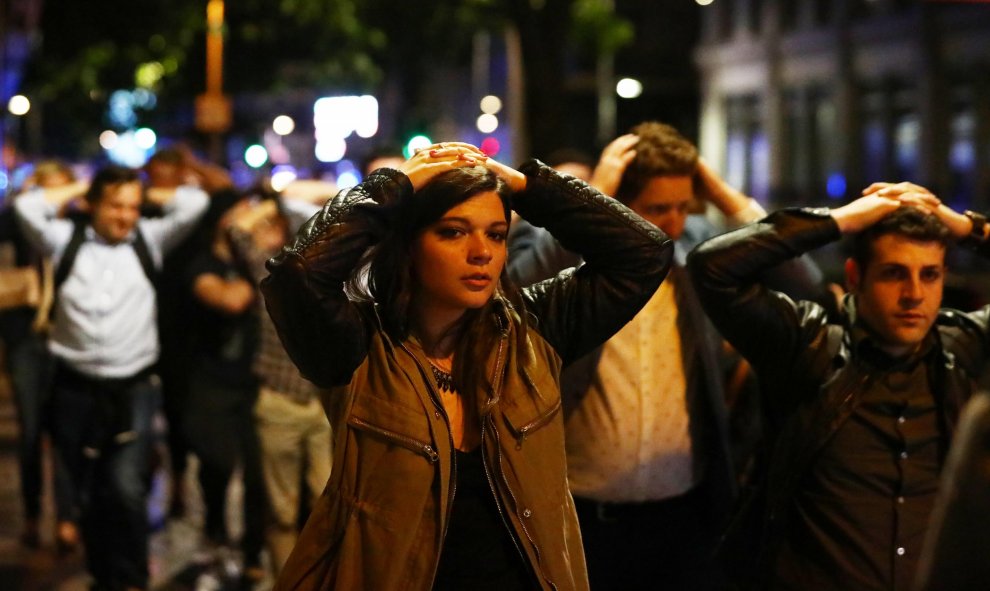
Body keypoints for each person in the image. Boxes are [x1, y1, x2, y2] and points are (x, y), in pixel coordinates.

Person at [260, 142, 672, 590]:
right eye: (453, 232)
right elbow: (295, 277)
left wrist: (524, 184)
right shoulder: (360, 345)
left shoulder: (531, 330)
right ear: (408, 245)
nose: (482, 252)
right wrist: (391, 187)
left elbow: (643, 254)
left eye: (496, 234)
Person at [508, 121, 822, 590]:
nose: (673, 223)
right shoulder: (575, 259)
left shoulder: (699, 251)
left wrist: (722, 194)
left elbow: (806, 283)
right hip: (580, 511)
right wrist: (591, 195)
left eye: (682, 206)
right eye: (657, 208)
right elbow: (516, 287)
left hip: (687, 514)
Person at [687, 181, 990, 590]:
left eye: (930, 275)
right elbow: (712, 267)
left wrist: (961, 225)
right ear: (855, 277)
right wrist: (839, 220)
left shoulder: (962, 348)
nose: (914, 295)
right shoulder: (807, 345)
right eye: (893, 274)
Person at [14, 165, 208, 591]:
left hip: (131, 388)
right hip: (74, 387)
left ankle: (133, 576)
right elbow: (26, 206)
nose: (126, 216)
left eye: (133, 207)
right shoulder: (64, 241)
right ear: (92, 206)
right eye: (115, 206)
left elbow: (196, 202)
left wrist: (145, 194)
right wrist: (84, 185)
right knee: (86, 489)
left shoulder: (148, 240)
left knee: (125, 487)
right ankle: (103, 575)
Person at [226, 185, 330, 576]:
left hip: (320, 405)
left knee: (326, 502)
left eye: (277, 226)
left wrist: (285, 206)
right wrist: (268, 206)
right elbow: (237, 230)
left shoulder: (327, 277)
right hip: (279, 402)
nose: (268, 232)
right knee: (282, 511)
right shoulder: (266, 274)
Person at [182, 196, 266, 581]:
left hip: (252, 384)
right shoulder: (203, 264)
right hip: (211, 383)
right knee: (217, 464)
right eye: (239, 213)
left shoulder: (258, 260)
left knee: (257, 474)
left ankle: (250, 554)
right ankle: (214, 531)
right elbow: (232, 300)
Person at [0, 159, 79, 552]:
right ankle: (32, 513)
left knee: (66, 432)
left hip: (69, 337)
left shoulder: (76, 230)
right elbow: (15, 214)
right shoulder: (18, 223)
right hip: (26, 336)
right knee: (31, 432)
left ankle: (67, 516)